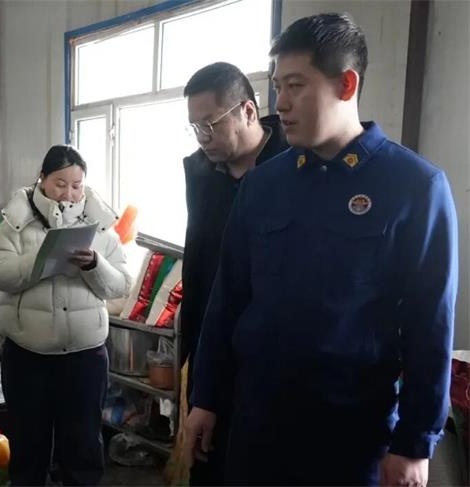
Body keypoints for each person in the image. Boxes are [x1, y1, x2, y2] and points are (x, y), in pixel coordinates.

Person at [185, 13, 457, 486]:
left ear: (346, 84)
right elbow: (226, 301)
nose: (280, 103)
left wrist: (415, 442)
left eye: (296, 85)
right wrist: (205, 397)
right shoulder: (264, 186)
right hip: (257, 422)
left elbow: (429, 327)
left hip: (350, 432)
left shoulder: (414, 187)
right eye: (277, 86)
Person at [0, 145, 131, 486]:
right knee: (28, 443)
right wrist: (38, 261)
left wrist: (94, 264)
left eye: (77, 185)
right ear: (42, 179)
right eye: (60, 184)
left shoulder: (100, 227)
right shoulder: (17, 222)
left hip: (84, 357)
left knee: (83, 444)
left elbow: (121, 285)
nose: (69, 193)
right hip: (28, 356)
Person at [181, 62, 289, 485]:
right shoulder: (201, 173)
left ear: (247, 111)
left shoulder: (293, 167)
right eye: (194, 127)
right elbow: (200, 262)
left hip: (270, 362)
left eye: (210, 124)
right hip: (210, 352)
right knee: (206, 466)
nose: (202, 137)